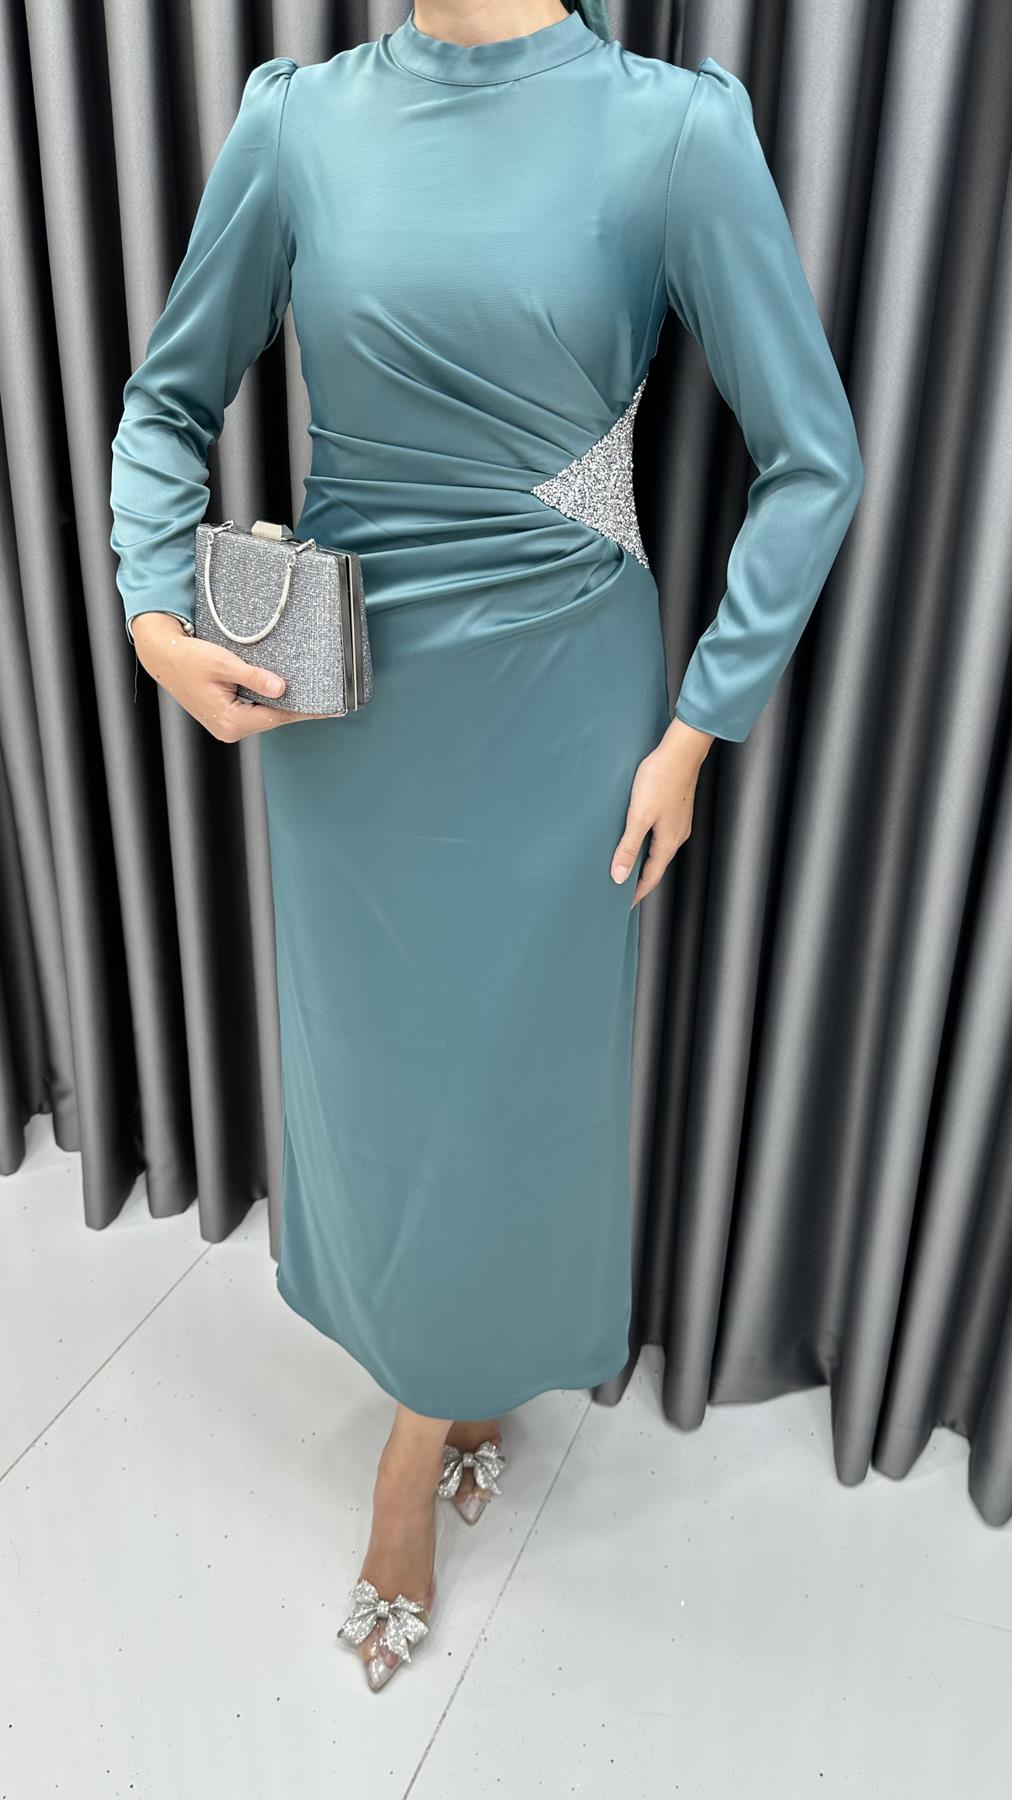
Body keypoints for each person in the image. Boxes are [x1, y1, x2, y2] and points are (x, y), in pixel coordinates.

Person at [108, 1, 864, 1691]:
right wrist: (156, 616)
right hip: (348, 721)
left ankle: (429, 1422)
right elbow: (166, 402)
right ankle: (426, 1410)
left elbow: (814, 461)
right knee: (382, 1090)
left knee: (516, 1092)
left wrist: (700, 725)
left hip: (562, 720)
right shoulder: (297, 124)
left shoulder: (672, 130)